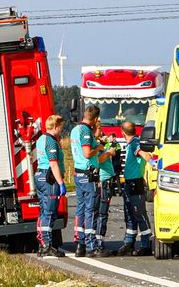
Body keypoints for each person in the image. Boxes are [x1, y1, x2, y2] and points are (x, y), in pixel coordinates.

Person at [71, 105, 113, 257]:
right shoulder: (86, 131)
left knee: (81, 209)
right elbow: (87, 153)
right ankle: (92, 246)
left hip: (78, 174)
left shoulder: (75, 130)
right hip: (89, 175)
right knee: (91, 210)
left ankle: (80, 244)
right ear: (95, 119)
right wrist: (99, 148)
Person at [117, 121, 157, 256]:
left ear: (122, 133)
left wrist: (151, 162)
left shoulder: (134, 143)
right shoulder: (132, 143)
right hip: (129, 183)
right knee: (129, 213)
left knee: (139, 213)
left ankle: (146, 243)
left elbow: (144, 154)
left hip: (134, 183)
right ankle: (129, 241)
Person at [34, 115, 66, 258]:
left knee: (43, 211)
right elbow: (53, 163)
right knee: (50, 211)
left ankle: (42, 243)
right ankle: (48, 245)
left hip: (40, 175)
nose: (61, 129)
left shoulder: (41, 139)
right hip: (49, 177)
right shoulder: (51, 142)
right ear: (56, 126)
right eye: (61, 126)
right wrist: (61, 183)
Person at [94, 122, 120, 251]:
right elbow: (98, 160)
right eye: (99, 129)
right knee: (101, 212)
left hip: (106, 179)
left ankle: (99, 239)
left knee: (103, 211)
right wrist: (109, 152)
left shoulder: (99, 144)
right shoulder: (95, 145)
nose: (102, 132)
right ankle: (98, 241)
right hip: (103, 181)